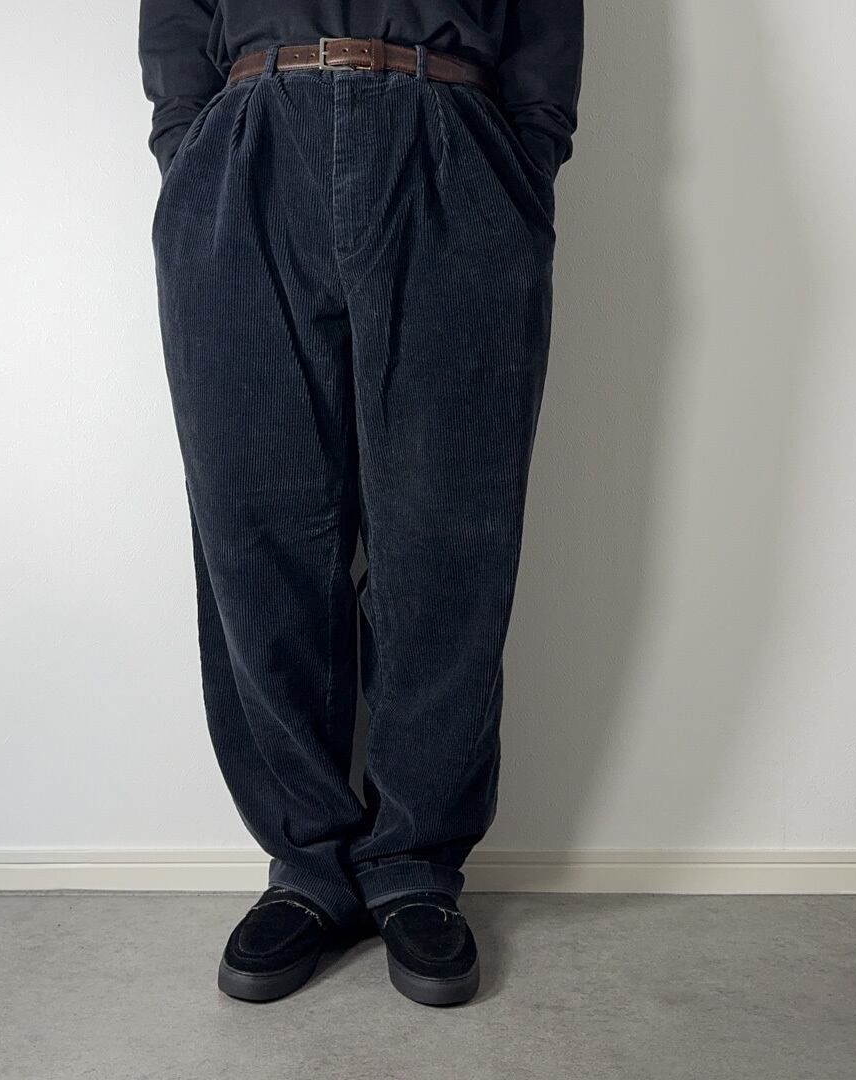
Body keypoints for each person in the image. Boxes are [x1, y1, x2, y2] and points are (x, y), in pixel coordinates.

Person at [139, 0, 583, 1007]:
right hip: (246, 152)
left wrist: (524, 165)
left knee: (446, 540)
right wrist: (188, 145)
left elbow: (548, 24)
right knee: (255, 532)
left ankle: (415, 862)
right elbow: (174, 19)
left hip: (453, 147)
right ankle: (306, 866)